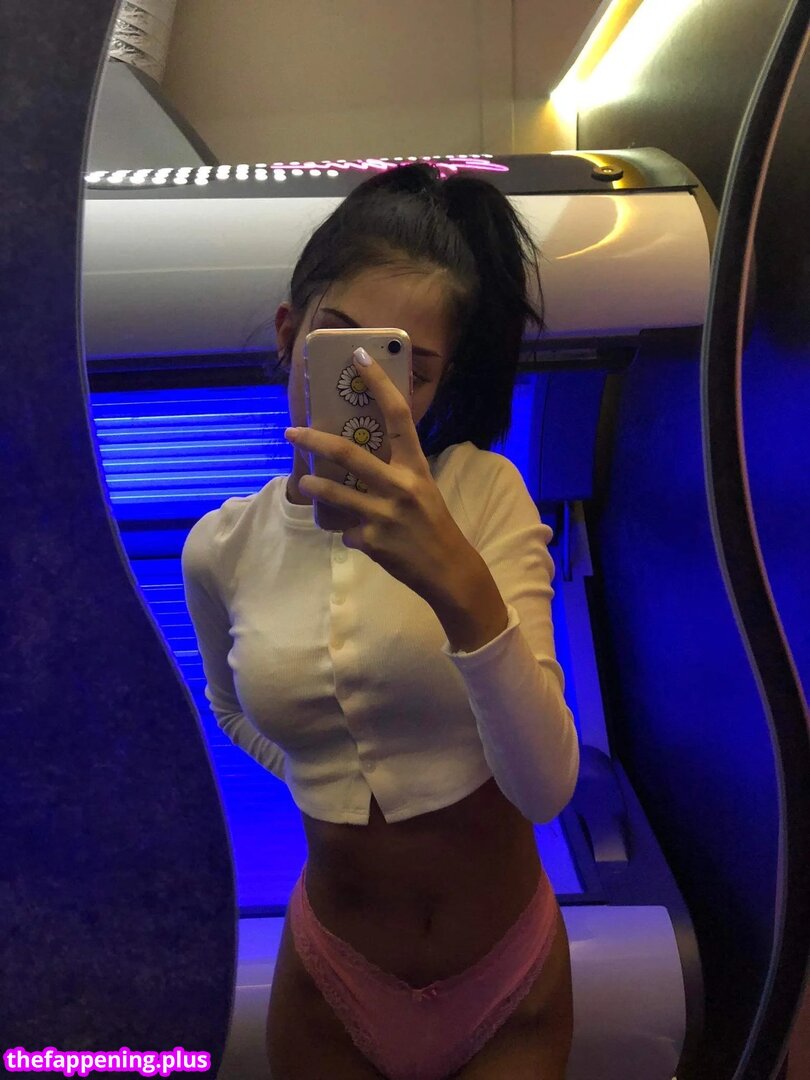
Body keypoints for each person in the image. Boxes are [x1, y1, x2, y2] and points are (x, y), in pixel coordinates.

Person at [182, 162, 579, 1079]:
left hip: (506, 976)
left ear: (434, 386)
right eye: (338, 343)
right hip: (332, 975)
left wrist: (453, 579)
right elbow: (227, 705)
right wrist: (323, 772)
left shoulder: (484, 495)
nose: (369, 389)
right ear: (290, 332)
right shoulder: (221, 546)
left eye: (407, 368)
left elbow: (545, 788)